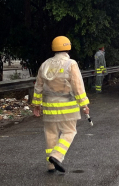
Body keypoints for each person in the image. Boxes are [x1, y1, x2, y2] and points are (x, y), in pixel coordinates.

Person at [32, 36, 90, 173]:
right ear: (68, 47)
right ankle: (56, 156)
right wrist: (84, 105)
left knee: (50, 134)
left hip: (49, 107)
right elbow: (78, 86)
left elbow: (38, 86)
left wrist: (36, 105)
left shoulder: (45, 64)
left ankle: (50, 165)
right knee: (69, 131)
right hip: (67, 107)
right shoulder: (71, 64)